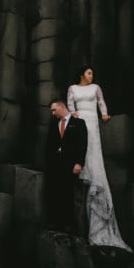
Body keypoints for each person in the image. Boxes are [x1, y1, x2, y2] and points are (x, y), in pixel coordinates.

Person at [68, 66, 132, 251]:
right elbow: (71, 105)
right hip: (80, 119)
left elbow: (101, 102)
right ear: (82, 74)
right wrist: (74, 115)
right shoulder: (73, 88)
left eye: (92, 73)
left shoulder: (95, 87)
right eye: (88, 73)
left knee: (94, 150)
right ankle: (83, 169)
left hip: (92, 120)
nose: (91, 76)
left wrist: (104, 114)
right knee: (82, 146)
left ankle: (95, 182)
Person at [44, 98, 88, 234]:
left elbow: (82, 144)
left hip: (70, 165)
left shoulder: (78, 123)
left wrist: (79, 163)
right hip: (55, 165)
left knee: (68, 193)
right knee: (54, 193)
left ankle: (69, 224)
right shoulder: (54, 124)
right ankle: (55, 223)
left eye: (54, 109)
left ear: (62, 107)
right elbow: (49, 144)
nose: (52, 113)